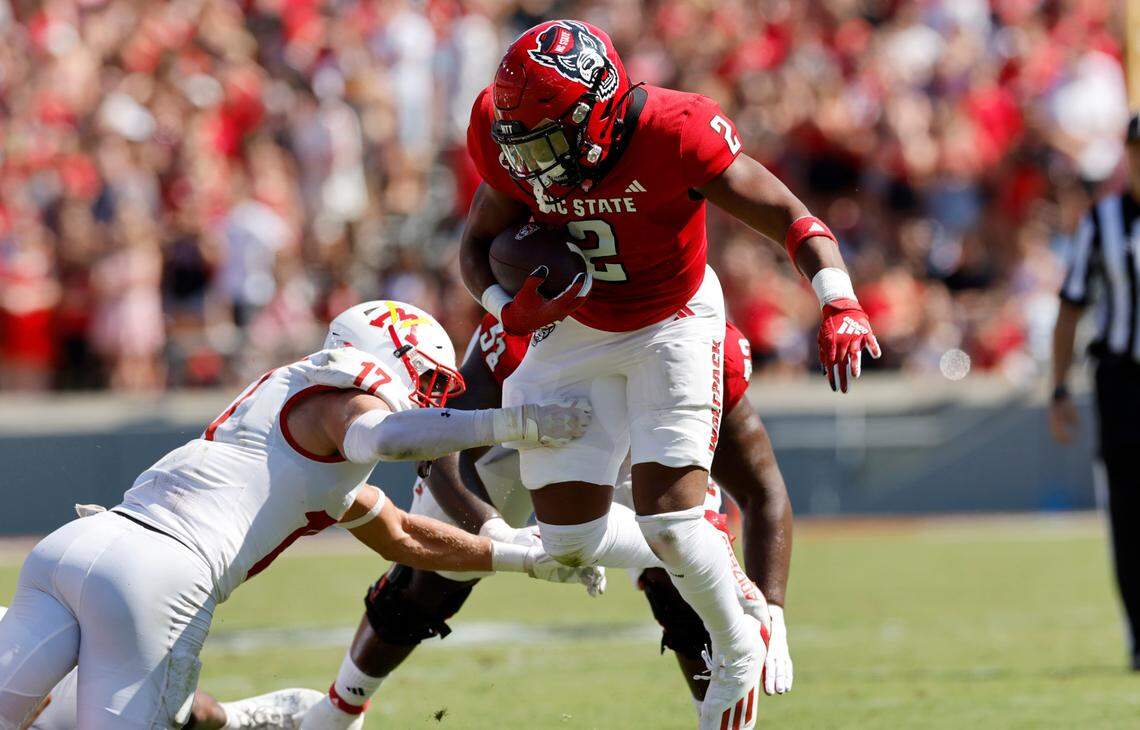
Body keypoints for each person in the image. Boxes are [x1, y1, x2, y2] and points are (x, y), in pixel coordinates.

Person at [460, 19, 878, 729]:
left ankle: (736, 635)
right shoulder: (507, 129)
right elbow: (475, 246)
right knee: (566, 542)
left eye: (549, 141)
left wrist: (838, 300)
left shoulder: (678, 130)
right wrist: (508, 307)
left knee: (673, 525)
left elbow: (786, 214)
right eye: (521, 145)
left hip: (670, 321)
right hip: (577, 325)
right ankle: (709, 550)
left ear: (600, 108)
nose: (533, 164)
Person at [0, 300, 596, 730]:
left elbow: (405, 538)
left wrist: (528, 555)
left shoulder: (298, 438)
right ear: (389, 356)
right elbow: (384, 436)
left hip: (74, 546)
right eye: (427, 380)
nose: (430, 398)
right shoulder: (344, 400)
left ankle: (219, 718)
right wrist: (510, 422)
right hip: (158, 575)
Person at [299, 314, 794, 729]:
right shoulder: (521, 328)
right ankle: (339, 711)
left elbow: (762, 489)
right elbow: (440, 450)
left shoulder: (700, 338)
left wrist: (775, 610)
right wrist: (492, 530)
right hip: (520, 436)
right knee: (430, 576)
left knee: (688, 577)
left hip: (636, 450)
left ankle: (715, 716)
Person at [1050, 112, 1140, 671]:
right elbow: (1070, 306)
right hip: (1125, 382)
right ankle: (1139, 631)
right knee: (1130, 513)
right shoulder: (1102, 220)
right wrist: (1058, 387)